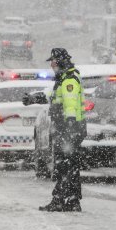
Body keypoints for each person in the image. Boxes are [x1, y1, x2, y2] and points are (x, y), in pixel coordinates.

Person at [24, 48, 86, 212]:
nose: (51, 64)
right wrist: (33, 98)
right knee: (70, 166)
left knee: (63, 166)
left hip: (68, 130)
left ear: (59, 62)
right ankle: (72, 200)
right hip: (66, 129)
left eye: (53, 61)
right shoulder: (63, 79)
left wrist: (70, 128)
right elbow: (50, 95)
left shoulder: (69, 81)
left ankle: (60, 200)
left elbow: (71, 105)